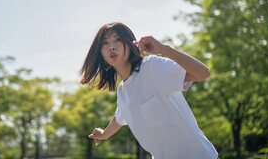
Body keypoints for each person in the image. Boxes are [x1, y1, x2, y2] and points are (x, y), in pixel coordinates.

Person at [80, 22, 218, 159]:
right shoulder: (122, 91)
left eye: (117, 40)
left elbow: (203, 73)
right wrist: (103, 134)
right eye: (105, 43)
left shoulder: (151, 67)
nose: (112, 47)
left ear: (130, 43)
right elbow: (120, 118)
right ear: (101, 54)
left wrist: (164, 49)